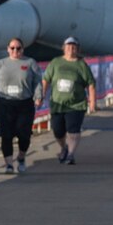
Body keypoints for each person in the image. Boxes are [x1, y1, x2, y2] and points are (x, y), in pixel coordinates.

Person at [0, 37, 43, 174]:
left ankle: (21, 157)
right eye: (12, 48)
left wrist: (38, 96)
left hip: (24, 103)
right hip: (5, 103)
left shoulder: (30, 63)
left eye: (18, 48)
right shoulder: (0, 64)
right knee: (6, 135)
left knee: (24, 135)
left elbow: (37, 81)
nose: (15, 51)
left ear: (23, 49)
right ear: (8, 49)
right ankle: (9, 164)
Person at [41, 37, 96, 166]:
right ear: (63, 48)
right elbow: (46, 80)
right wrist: (41, 95)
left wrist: (92, 102)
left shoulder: (81, 64)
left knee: (73, 130)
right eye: (68, 46)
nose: (71, 49)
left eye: (74, 46)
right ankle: (64, 147)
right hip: (58, 104)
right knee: (58, 131)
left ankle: (70, 154)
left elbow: (91, 84)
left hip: (76, 104)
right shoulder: (55, 62)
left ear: (77, 49)